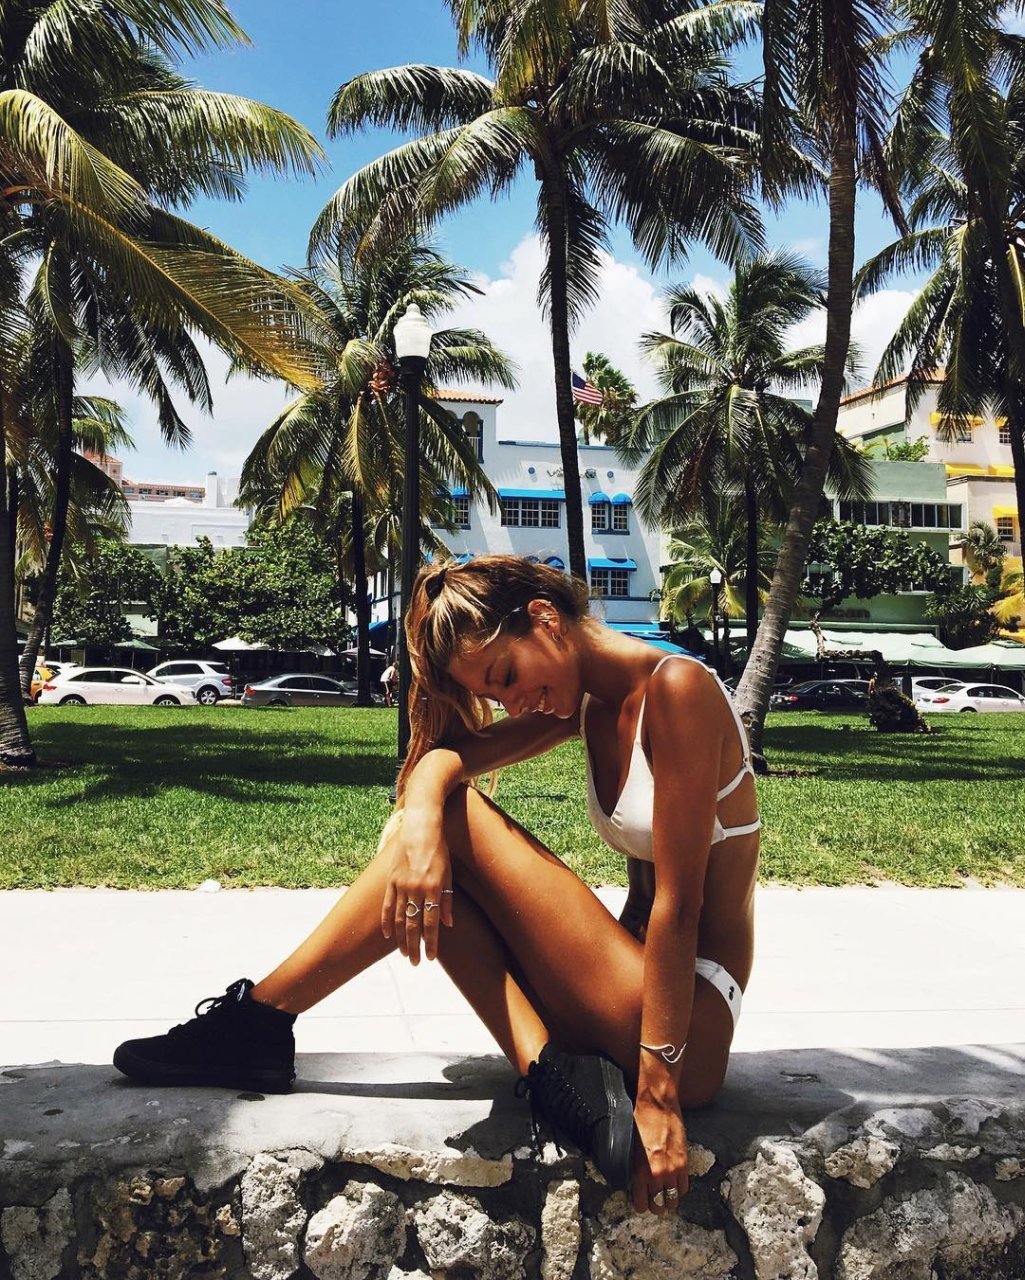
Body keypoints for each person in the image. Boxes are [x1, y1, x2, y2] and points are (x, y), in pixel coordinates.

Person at [113, 556, 759, 1215]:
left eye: (506, 676)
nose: (513, 704)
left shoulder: (677, 688)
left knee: (451, 823)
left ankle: (258, 1022)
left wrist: (657, 1098)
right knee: (431, 874)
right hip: (625, 999)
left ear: (544, 619)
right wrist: (418, 821)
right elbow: (444, 761)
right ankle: (554, 1076)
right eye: (496, 695)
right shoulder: (591, 700)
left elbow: (679, 908)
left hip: (688, 1030)